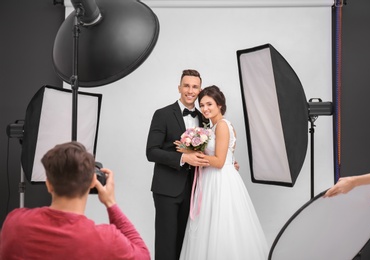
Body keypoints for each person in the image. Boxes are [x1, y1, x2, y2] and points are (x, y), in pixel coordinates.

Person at [0, 141, 150, 260]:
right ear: (93, 182)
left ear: (48, 183)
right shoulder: (106, 240)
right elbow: (143, 255)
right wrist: (111, 203)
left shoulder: (15, 222)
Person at [177, 85, 269, 260]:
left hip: (220, 181)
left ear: (219, 105)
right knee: (210, 226)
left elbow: (219, 162)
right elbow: (226, 157)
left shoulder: (222, 126)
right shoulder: (211, 128)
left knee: (222, 226)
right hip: (211, 179)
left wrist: (190, 154)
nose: (205, 109)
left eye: (209, 104)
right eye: (202, 105)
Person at [146, 69, 210, 260]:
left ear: (200, 90)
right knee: (166, 243)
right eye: (186, 86)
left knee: (185, 243)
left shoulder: (204, 118)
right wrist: (183, 158)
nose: (190, 90)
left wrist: (229, 163)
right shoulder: (162, 114)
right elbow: (151, 151)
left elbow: (210, 150)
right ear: (179, 87)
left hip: (194, 190)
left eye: (195, 87)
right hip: (166, 188)